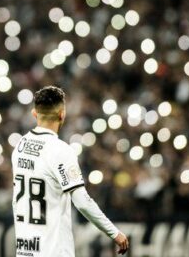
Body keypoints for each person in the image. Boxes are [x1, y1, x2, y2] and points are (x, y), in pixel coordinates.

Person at [11, 86, 129, 257]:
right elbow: (82, 201)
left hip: (25, 251)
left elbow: (16, 201)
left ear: (34, 113)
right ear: (62, 114)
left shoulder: (20, 147)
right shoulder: (60, 151)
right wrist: (114, 233)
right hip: (53, 251)